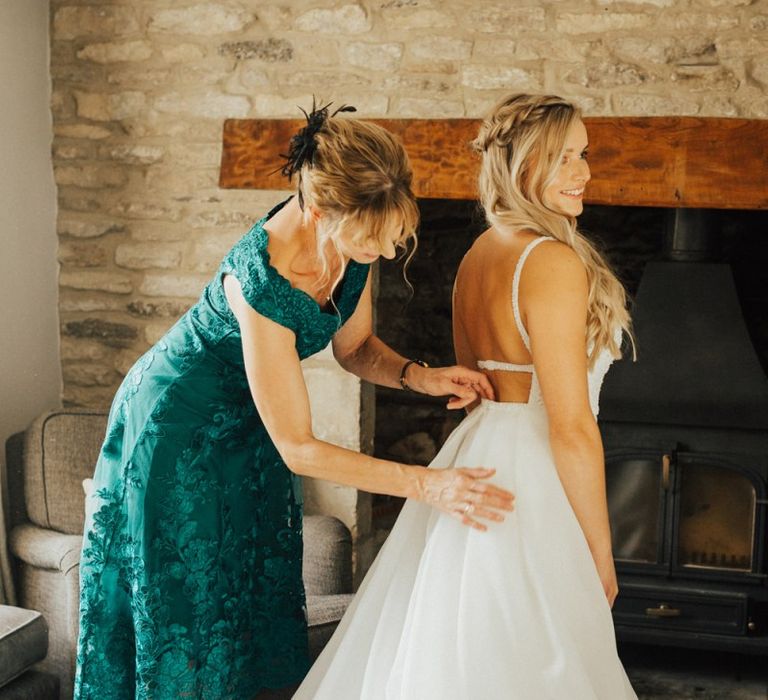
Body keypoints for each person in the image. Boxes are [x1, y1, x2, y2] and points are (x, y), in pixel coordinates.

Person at [74, 101, 516, 700]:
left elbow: (355, 349)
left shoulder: (351, 240)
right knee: (190, 607)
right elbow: (299, 447)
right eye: (372, 241)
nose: (385, 254)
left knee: (247, 597)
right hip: (176, 430)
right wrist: (427, 484)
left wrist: (420, 375)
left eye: (392, 238)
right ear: (317, 212)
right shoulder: (259, 281)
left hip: (250, 427)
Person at [294, 94, 638, 699]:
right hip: (532, 477)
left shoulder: (479, 255)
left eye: (583, 155)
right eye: (561, 158)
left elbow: (479, 387)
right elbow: (572, 427)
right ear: (521, 166)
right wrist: (601, 553)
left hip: (477, 455)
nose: (582, 172)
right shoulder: (553, 262)